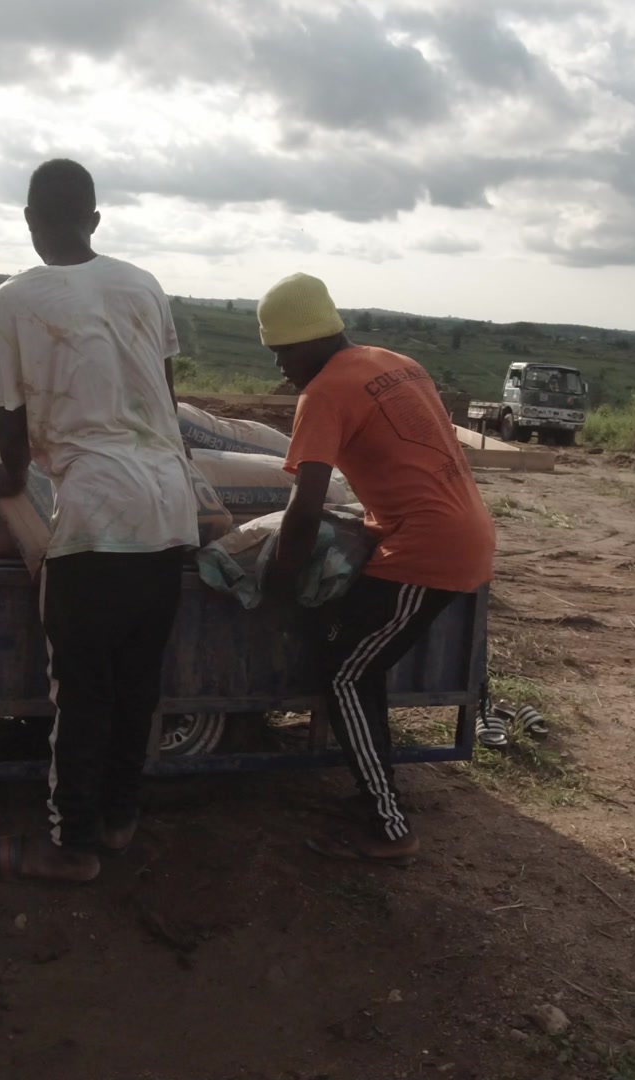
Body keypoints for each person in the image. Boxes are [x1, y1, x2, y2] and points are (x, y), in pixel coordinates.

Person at [0, 159, 198, 885]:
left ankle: (70, 846)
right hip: (169, 507)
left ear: (31, 222)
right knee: (136, 685)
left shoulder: (14, 300)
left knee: (81, 691)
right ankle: (120, 820)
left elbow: (11, 416)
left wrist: (8, 477)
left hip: (97, 515)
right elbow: (163, 394)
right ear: (95, 221)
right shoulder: (144, 284)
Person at [258, 272, 496, 867]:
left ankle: (389, 826)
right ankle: (372, 788)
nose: (282, 369)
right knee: (353, 654)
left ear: (305, 341)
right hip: (453, 529)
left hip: (426, 550)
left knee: (344, 673)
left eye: (281, 353)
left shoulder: (324, 393)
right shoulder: (391, 361)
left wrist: (280, 586)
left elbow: (304, 508)